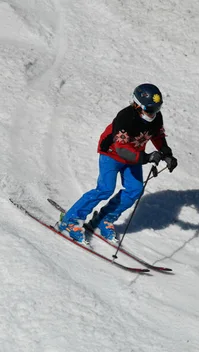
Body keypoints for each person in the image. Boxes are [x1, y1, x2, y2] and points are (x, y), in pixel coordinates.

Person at [57, 83, 178, 243]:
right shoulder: (125, 118)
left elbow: (157, 136)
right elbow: (122, 149)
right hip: (112, 154)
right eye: (149, 110)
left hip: (134, 157)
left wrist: (167, 154)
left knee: (135, 190)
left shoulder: (156, 118)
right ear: (137, 105)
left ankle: (104, 219)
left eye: (156, 109)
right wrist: (147, 158)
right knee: (105, 189)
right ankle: (70, 220)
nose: (153, 114)